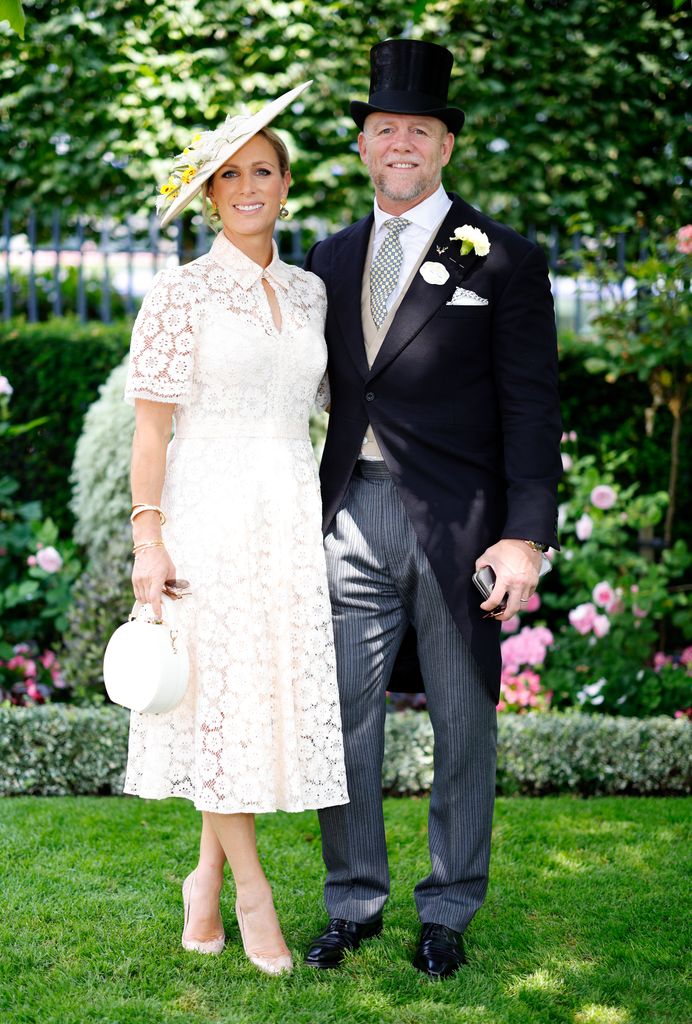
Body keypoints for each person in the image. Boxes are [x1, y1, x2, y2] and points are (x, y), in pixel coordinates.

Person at [304, 40, 562, 978]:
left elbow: (533, 409)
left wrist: (525, 536)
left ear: (445, 146)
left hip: (461, 528)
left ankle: (448, 907)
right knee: (343, 720)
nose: (401, 142)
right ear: (365, 148)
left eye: (420, 128)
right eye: (384, 129)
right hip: (349, 516)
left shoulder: (503, 259)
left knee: (463, 721)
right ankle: (354, 900)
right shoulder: (327, 259)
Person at [122, 81, 348, 976]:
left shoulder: (311, 291)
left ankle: (203, 881)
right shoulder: (179, 296)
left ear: (285, 185)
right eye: (231, 175)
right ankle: (252, 894)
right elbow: (152, 427)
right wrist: (150, 537)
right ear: (212, 194)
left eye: (264, 170)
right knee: (214, 704)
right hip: (206, 516)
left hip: (288, 513)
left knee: (249, 701)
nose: (249, 186)